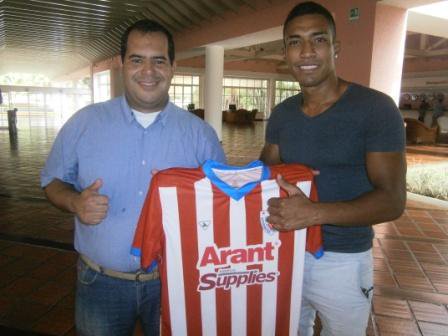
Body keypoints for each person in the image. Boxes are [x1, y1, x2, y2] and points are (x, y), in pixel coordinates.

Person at [41, 19, 225, 336]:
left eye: (159, 60)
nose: (148, 71)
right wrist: (75, 201)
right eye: (137, 60)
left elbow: (223, 202)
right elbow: (52, 181)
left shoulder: (199, 135)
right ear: (122, 64)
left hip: (174, 283)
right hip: (100, 283)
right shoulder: (85, 123)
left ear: (172, 66)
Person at [259, 2, 406, 335]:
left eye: (318, 39)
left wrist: (314, 213)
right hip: (287, 252)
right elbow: (264, 172)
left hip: (344, 259)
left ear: (335, 47)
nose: (306, 51)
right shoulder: (282, 114)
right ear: (285, 53)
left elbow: (393, 200)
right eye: (295, 42)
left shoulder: (375, 109)